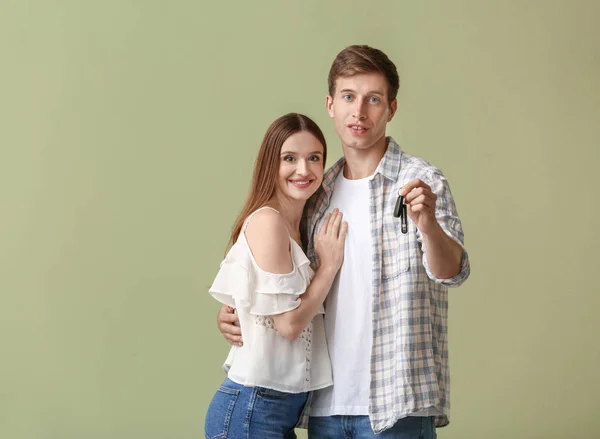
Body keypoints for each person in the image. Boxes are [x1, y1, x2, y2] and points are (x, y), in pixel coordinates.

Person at [217, 45, 471, 438]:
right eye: (349, 98)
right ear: (331, 105)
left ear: (391, 109)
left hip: (396, 405)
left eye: (374, 99)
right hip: (325, 407)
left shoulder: (421, 181)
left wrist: (429, 226)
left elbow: (452, 272)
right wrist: (239, 313)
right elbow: (282, 288)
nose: (360, 112)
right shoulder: (318, 194)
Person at [205, 113, 348, 439]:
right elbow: (288, 324)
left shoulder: (300, 225)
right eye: (290, 158)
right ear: (271, 164)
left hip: (274, 410)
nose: (304, 169)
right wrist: (328, 267)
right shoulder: (268, 222)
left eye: (314, 158)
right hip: (252, 410)